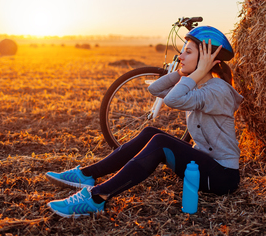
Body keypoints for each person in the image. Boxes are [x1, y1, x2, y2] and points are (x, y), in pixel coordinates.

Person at [45, 26, 244, 218]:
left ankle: (97, 197)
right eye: (182, 52)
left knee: (160, 142)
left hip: (221, 176)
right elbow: (155, 89)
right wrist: (182, 73)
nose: (180, 57)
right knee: (150, 132)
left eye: (188, 52)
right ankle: (87, 174)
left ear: (205, 60)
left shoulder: (217, 91)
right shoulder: (199, 84)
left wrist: (196, 73)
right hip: (202, 164)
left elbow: (172, 100)